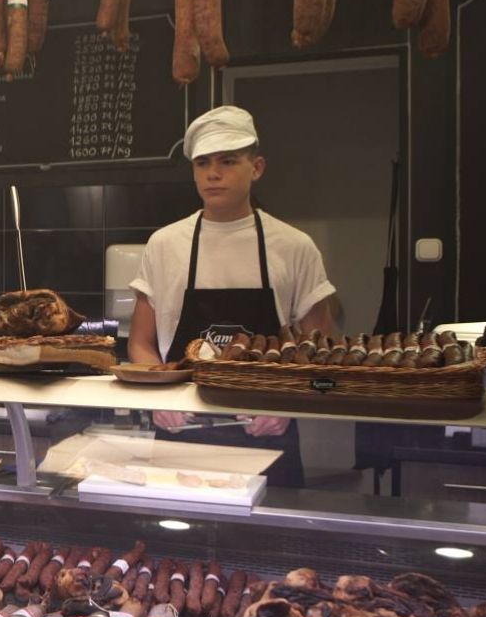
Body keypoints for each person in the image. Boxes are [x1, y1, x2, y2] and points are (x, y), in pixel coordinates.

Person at [126, 106, 338, 488]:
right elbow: (141, 344)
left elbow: (322, 353)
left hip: (267, 437)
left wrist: (289, 405)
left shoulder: (294, 246)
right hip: (180, 435)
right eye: (202, 163)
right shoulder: (165, 245)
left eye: (228, 161)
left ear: (256, 168)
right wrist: (158, 399)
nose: (213, 173)